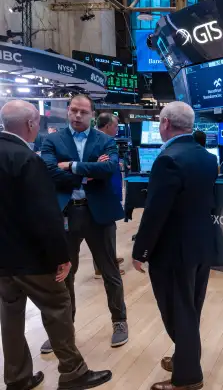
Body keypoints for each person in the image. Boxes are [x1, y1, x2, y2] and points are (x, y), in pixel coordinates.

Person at [0, 100, 112, 390]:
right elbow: (45, 213)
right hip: (31, 257)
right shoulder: (27, 159)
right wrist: (61, 257)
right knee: (58, 304)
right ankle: (73, 372)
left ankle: (17, 378)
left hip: (2, 258)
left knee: (10, 316)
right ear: (30, 124)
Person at [132, 101, 217, 390]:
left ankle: (188, 377)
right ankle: (185, 357)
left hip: (173, 252)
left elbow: (155, 212)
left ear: (165, 123)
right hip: (201, 247)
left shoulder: (167, 159)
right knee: (191, 309)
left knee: (178, 312)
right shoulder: (206, 156)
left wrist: (140, 251)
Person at [40, 94, 128, 354]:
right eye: (74, 110)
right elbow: (48, 171)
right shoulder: (52, 140)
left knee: (110, 271)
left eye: (83, 112)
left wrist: (73, 166)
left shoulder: (105, 140)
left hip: (98, 214)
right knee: (65, 273)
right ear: (68, 111)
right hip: (66, 214)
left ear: (92, 114)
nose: (78, 116)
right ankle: (64, 328)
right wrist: (87, 174)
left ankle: (119, 321)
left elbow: (110, 168)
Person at [95, 113, 126, 279]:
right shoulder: (96, 141)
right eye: (115, 126)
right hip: (102, 194)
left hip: (111, 191)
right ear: (107, 126)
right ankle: (103, 266)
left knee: (109, 230)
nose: (117, 130)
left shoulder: (107, 142)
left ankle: (109, 259)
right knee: (103, 231)